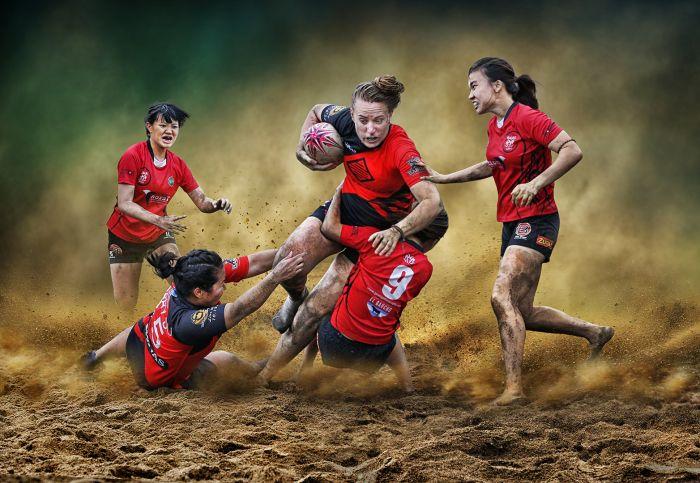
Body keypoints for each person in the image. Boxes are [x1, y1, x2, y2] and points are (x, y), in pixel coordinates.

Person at [423, 57, 614, 405]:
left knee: (501, 296)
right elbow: (492, 165)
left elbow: (572, 150)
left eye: (474, 86)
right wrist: (444, 177)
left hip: (537, 219)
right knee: (521, 310)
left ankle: (513, 390)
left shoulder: (528, 117)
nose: (470, 95)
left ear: (497, 86)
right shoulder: (495, 126)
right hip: (512, 223)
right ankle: (594, 332)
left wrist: (536, 183)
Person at [257, 75, 445, 383]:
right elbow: (316, 110)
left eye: (379, 121)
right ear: (352, 114)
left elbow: (432, 201)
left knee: (316, 308)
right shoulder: (343, 120)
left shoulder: (401, 148)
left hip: (377, 233)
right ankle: (295, 297)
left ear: (390, 116)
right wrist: (301, 148)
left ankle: (266, 375)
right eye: (363, 120)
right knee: (287, 259)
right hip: (345, 208)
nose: (370, 130)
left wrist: (396, 232)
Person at [83, 248, 304, 390]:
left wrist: (295, 249)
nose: (225, 285)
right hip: (155, 379)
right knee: (229, 361)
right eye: (221, 284)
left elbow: (254, 262)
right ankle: (263, 367)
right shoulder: (188, 323)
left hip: (138, 342)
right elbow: (239, 310)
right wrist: (275, 277)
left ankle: (95, 357)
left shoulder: (190, 277)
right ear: (199, 292)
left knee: (145, 324)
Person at [298, 184, 448, 392]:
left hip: (333, 346)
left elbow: (330, 227)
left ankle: (305, 369)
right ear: (435, 240)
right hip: (374, 356)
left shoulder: (376, 240)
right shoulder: (425, 269)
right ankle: (407, 386)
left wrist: (339, 191)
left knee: (323, 307)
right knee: (391, 333)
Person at [106, 102, 233, 311]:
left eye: (174, 126)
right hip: (125, 235)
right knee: (126, 303)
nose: (169, 131)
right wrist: (157, 219)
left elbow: (202, 202)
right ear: (149, 127)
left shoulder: (178, 164)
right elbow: (124, 203)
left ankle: (198, 322)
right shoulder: (133, 156)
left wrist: (216, 204)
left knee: (183, 281)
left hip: (158, 232)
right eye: (163, 125)